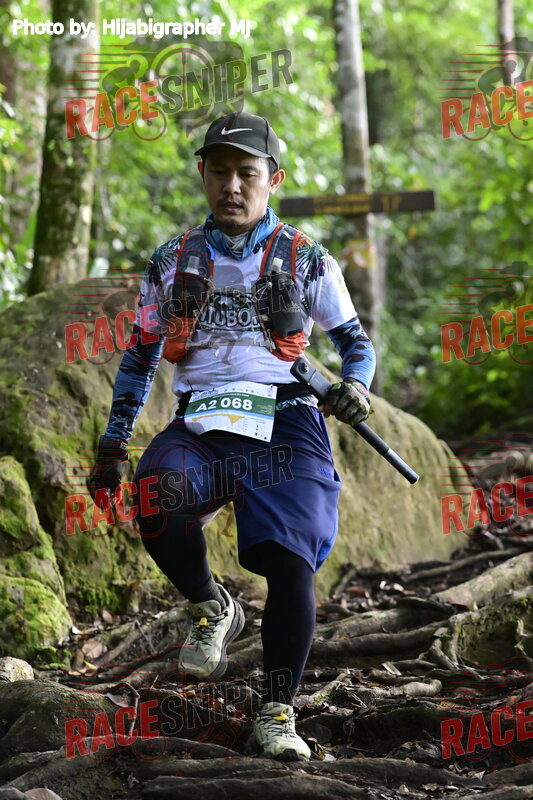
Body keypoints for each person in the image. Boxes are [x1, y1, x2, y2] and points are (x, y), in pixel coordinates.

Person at [88, 111, 376, 761]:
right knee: (156, 494)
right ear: (202, 175)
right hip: (203, 419)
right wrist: (112, 444)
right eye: (219, 172)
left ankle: (277, 713)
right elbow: (140, 356)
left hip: (287, 417)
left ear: (274, 179)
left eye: (247, 173)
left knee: (289, 559)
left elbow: (354, 344)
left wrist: (355, 386)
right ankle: (211, 606)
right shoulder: (172, 260)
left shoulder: (307, 258)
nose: (232, 186)